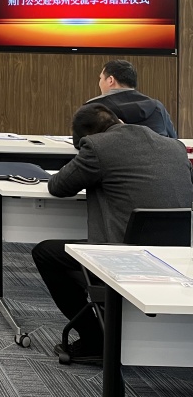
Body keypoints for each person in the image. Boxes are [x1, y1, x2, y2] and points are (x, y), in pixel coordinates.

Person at [31, 103, 193, 364]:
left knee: (45, 253)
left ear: (86, 137)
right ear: (118, 121)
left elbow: (59, 186)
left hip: (124, 258)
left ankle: (95, 340)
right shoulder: (174, 146)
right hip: (176, 257)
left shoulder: (96, 147)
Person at [85, 59, 177, 138]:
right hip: (158, 153)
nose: (100, 83)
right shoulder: (157, 107)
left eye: (100, 78)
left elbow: (83, 144)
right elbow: (175, 141)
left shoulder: (94, 108)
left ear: (110, 80)